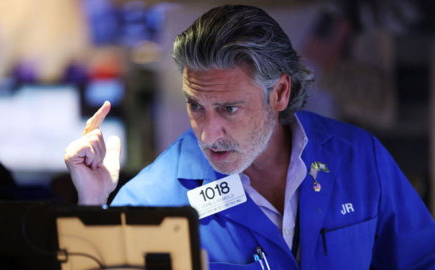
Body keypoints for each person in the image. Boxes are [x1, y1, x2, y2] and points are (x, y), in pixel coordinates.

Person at [64, 5, 435, 270]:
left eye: (228, 109)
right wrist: (92, 205)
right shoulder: (152, 199)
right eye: (196, 106)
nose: (208, 134)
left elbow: (422, 260)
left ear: (279, 94)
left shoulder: (358, 158)